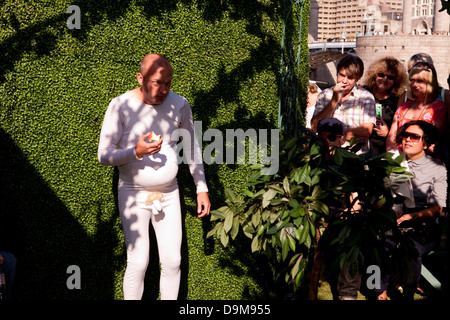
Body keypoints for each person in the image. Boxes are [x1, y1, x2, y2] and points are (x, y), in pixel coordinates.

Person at [98, 53, 211, 300]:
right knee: (138, 262)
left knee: (173, 261)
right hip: (132, 193)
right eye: (157, 82)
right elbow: (104, 155)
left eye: (168, 83)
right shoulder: (120, 105)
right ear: (140, 78)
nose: (164, 90)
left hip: (169, 193)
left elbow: (191, 146)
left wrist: (201, 186)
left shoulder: (179, 103)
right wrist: (135, 152)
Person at [372, 120, 447, 300]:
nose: (408, 140)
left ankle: (409, 292)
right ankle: (375, 290)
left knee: (411, 249)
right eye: (405, 135)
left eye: (415, 137)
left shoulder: (437, 168)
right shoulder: (391, 160)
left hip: (423, 224)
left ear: (426, 143)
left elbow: (437, 209)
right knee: (376, 245)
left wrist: (410, 216)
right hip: (391, 218)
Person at [311, 54, 376, 153]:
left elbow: (366, 131)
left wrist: (334, 135)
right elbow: (315, 127)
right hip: (326, 154)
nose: (344, 81)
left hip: (354, 155)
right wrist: (334, 100)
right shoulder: (324, 95)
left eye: (350, 78)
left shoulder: (366, 97)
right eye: (341, 75)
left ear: (357, 79)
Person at [386, 61, 447, 152]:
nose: (414, 85)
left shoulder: (437, 108)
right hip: (399, 160)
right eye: (412, 80)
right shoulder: (403, 107)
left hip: (424, 161)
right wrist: (395, 158)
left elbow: (434, 143)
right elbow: (391, 138)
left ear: (430, 83)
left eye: (420, 81)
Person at [362, 56, 407, 156]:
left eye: (390, 77)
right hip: (362, 151)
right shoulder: (364, 94)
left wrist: (387, 134)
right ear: (374, 76)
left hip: (385, 152)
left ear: (396, 80)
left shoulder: (398, 99)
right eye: (381, 75)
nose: (385, 79)